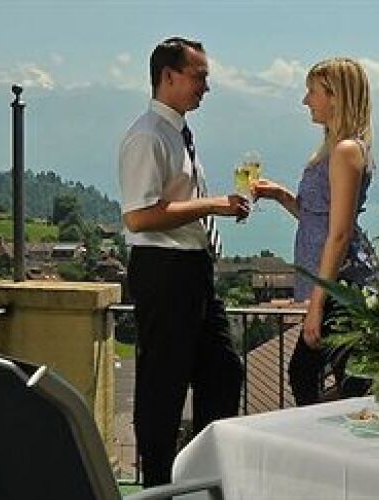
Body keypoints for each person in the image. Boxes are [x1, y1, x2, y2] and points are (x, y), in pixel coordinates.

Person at [118, 36, 249, 486]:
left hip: (192, 269)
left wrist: (218, 207)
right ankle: (158, 485)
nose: (206, 87)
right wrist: (213, 205)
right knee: (164, 385)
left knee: (224, 373)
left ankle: (203, 476)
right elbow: (138, 216)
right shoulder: (147, 136)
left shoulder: (176, 133)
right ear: (168, 76)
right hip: (164, 269)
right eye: (199, 77)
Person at [253, 57, 375, 406]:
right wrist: (281, 196)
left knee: (323, 378)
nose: (306, 100)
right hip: (336, 285)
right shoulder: (336, 149)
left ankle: (331, 437)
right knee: (336, 380)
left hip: (342, 287)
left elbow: (339, 234)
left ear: (335, 96)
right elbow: (317, 221)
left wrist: (316, 305)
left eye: (312, 91)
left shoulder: (346, 151)